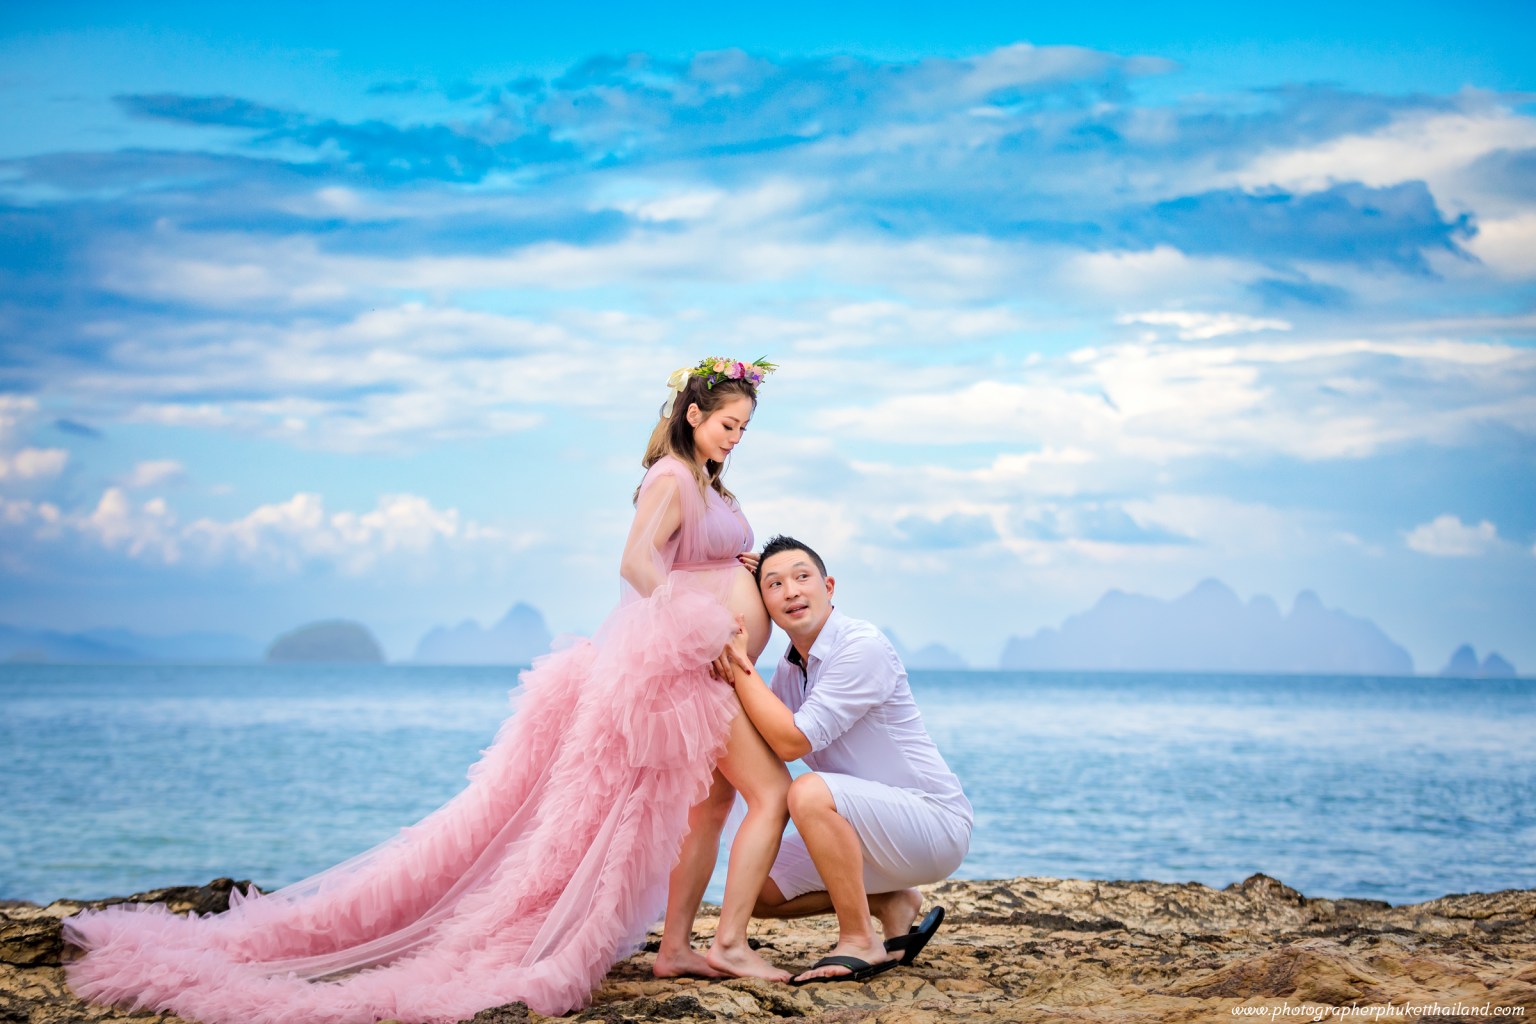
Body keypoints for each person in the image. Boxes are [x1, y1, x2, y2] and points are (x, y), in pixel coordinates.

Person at [62, 357, 793, 1024]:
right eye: (729, 425)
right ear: (692, 414)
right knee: (764, 792)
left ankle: (675, 946)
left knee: (712, 804)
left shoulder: (704, 481)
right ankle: (725, 943)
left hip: (701, 670)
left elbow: (696, 557)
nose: (736, 437)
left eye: (745, 430)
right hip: (683, 669)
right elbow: (635, 564)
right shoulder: (670, 476)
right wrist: (706, 626)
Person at [712, 535, 973, 984]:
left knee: (808, 792)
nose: (791, 591)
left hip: (932, 821)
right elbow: (764, 738)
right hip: (866, 826)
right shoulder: (790, 669)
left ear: (829, 586)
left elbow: (792, 742)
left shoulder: (861, 645)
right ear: (764, 606)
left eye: (802, 577)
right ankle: (889, 902)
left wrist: (739, 664)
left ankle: (859, 939)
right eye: (773, 585)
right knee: (757, 889)